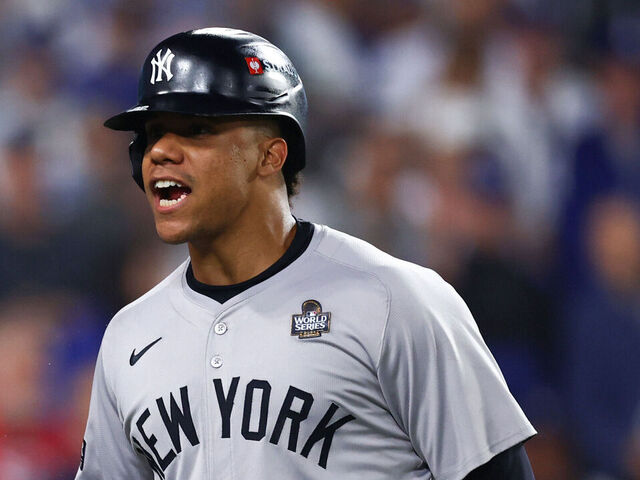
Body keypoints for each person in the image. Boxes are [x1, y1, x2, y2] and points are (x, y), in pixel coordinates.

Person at [76, 27, 536, 480]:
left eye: (195, 129)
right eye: (152, 134)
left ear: (271, 156)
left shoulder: (394, 300)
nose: (159, 152)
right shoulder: (129, 337)